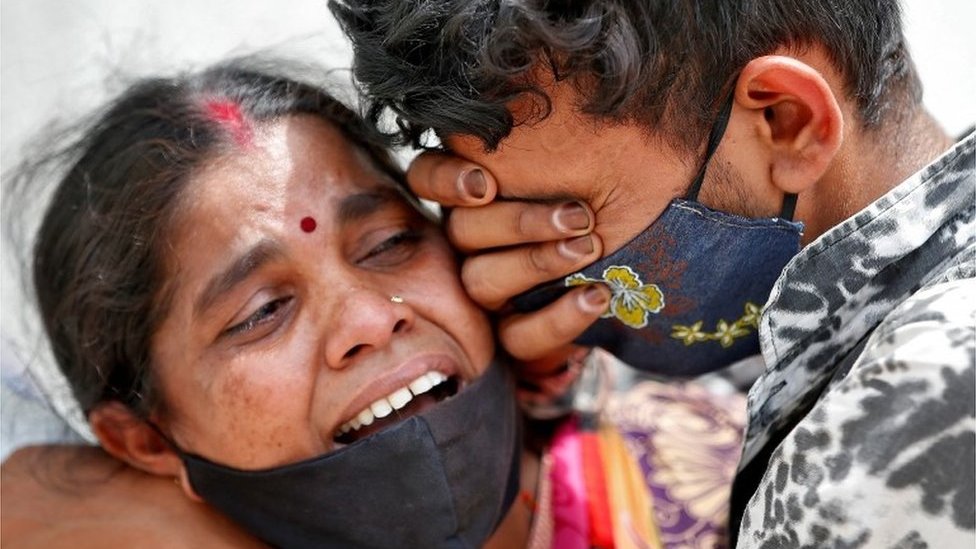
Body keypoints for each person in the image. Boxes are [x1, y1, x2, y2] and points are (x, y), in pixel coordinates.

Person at [1, 60, 747, 548]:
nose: (370, 317)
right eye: (262, 311)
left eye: (391, 243)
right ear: (145, 442)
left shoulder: (734, 471)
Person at [329, 0, 976, 546]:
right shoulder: (838, 335)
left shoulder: (896, 423)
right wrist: (546, 381)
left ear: (787, 119)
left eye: (566, 217)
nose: (525, 270)